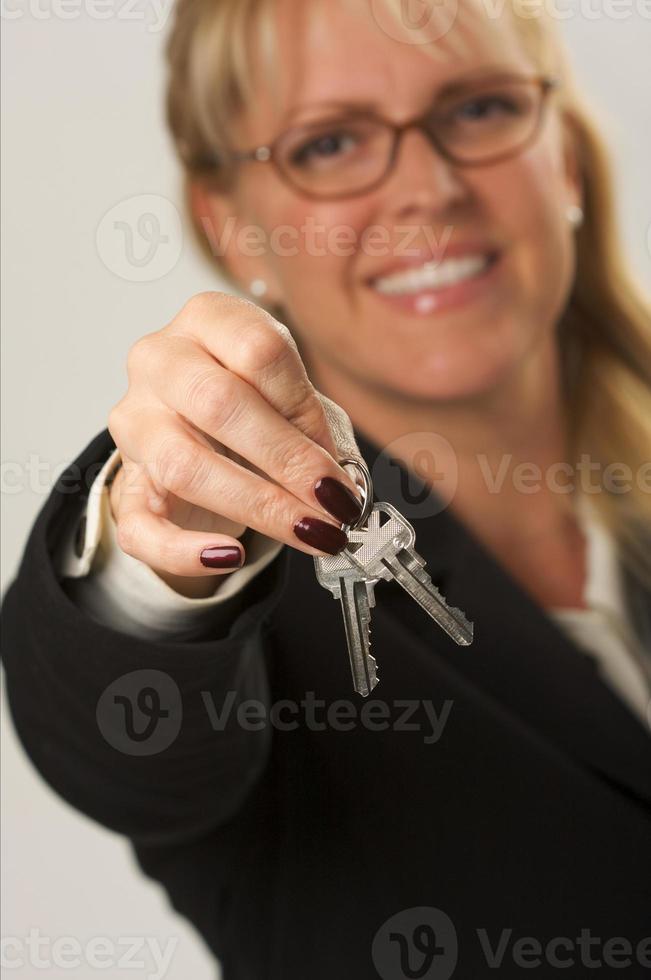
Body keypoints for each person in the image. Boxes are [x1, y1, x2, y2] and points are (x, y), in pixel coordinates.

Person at [3, 0, 651, 976]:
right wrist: (158, 553)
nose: (429, 187)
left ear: (561, 154)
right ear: (233, 227)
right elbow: (119, 735)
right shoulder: (266, 623)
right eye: (332, 140)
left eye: (477, 109)